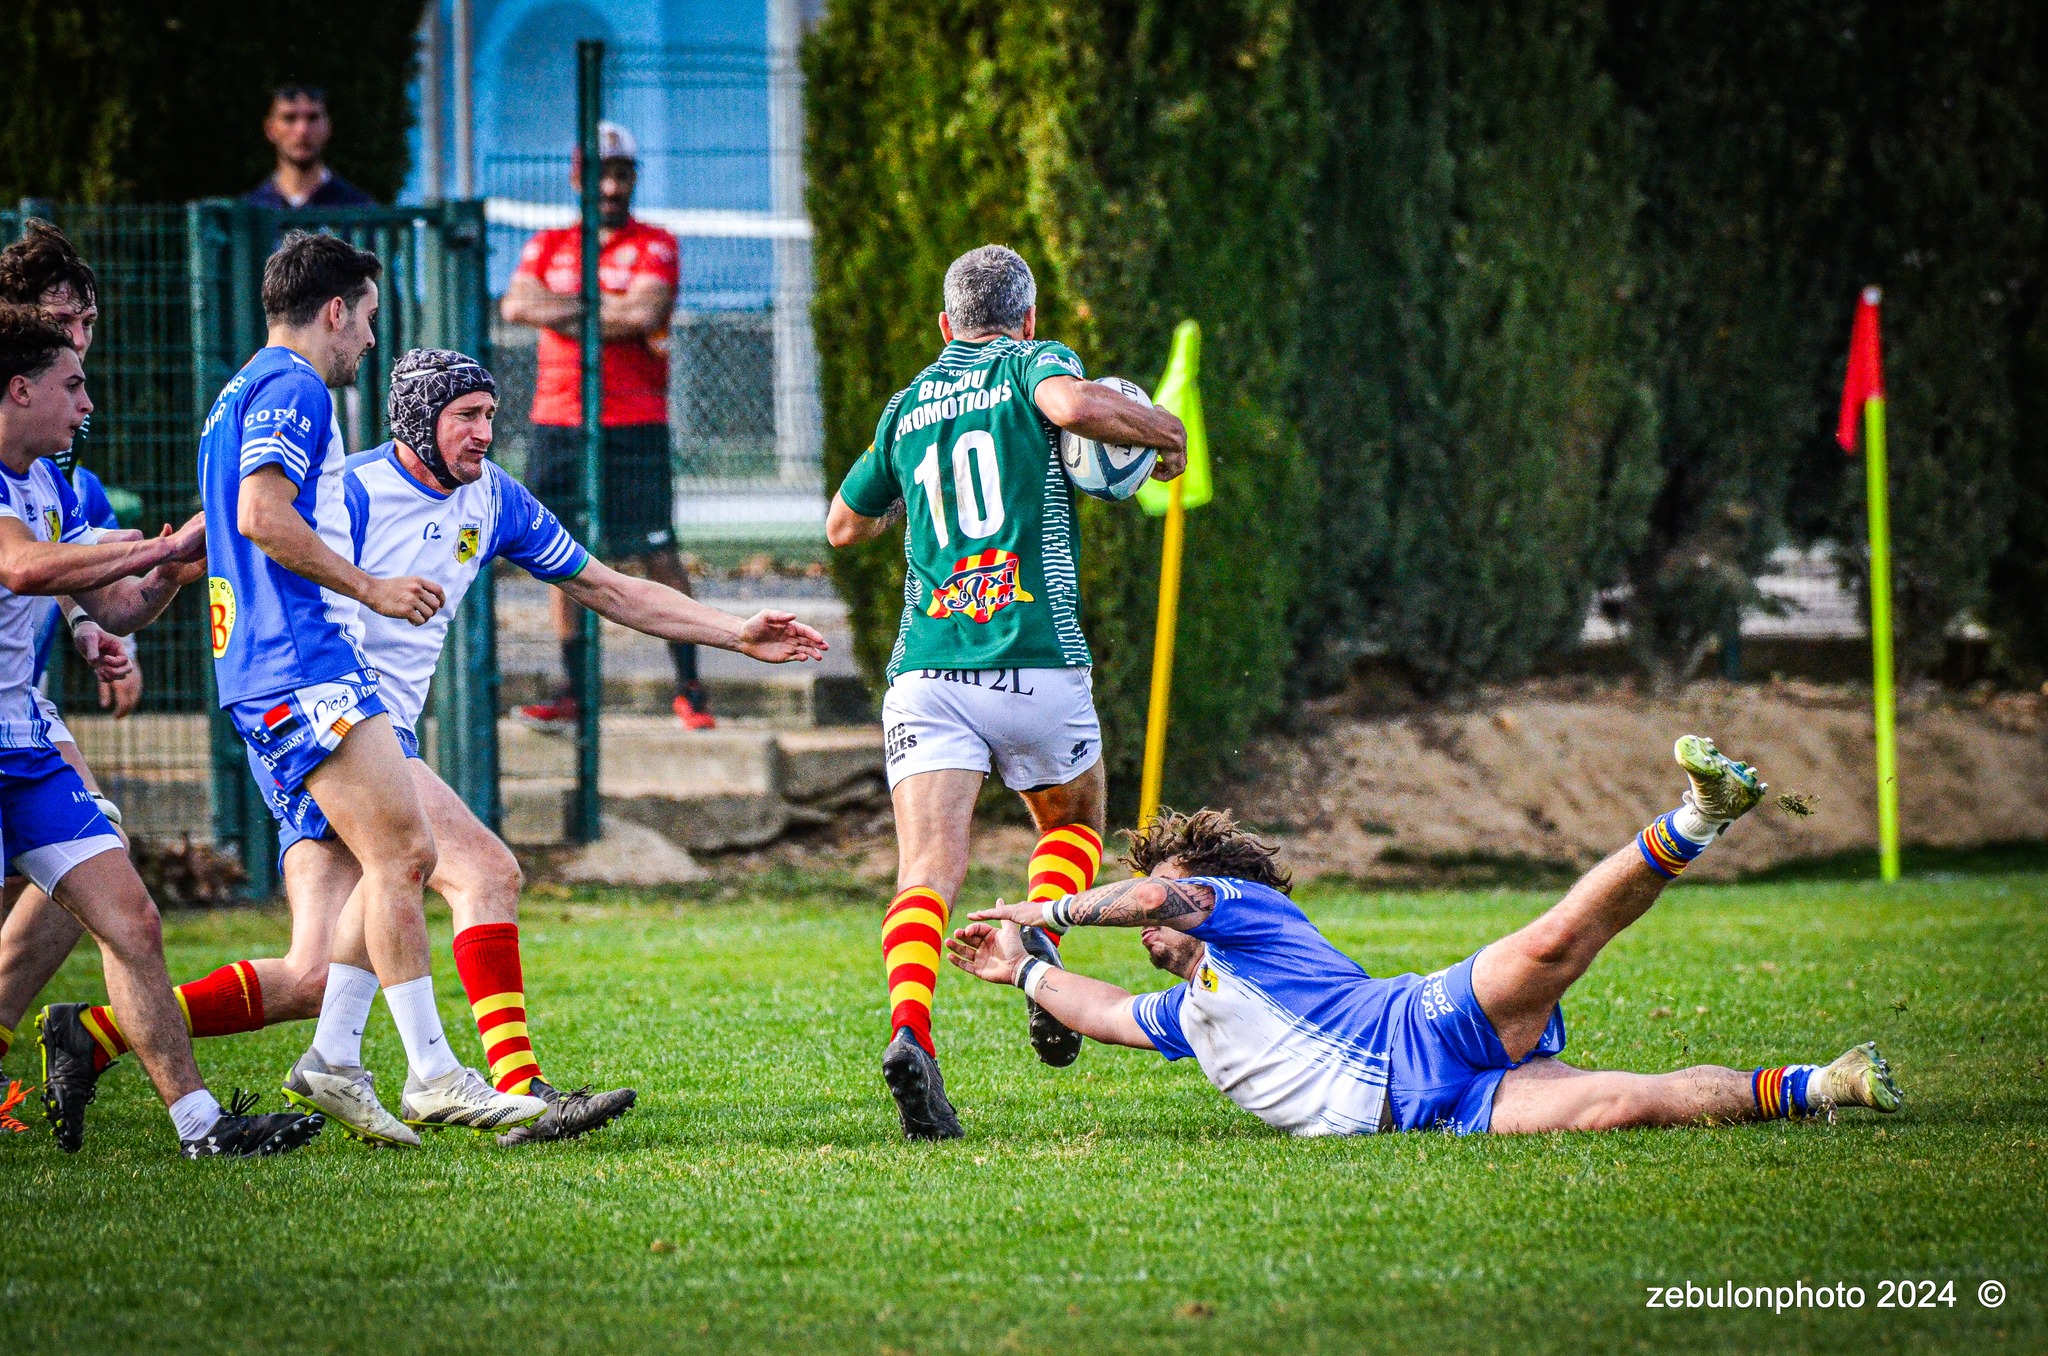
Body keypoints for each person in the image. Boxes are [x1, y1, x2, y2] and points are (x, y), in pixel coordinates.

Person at [25, 348, 828, 1148]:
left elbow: (608, 588)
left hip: (353, 734)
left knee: (312, 975)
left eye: (490, 416)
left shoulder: (495, 499)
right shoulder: (354, 490)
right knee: (483, 870)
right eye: (466, 417)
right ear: (417, 419)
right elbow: (250, 551)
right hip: (333, 720)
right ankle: (515, 1089)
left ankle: (99, 1034)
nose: (485, 434)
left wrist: (734, 632)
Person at [44, 230, 542, 1149]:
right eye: (367, 322)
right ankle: (432, 1074)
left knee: (359, 893)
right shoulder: (297, 386)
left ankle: (337, 1058)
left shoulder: (238, 391)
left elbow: (226, 522)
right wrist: (372, 587)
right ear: (335, 309)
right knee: (407, 855)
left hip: (265, 664)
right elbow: (261, 514)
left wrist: (161, 567)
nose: (366, 344)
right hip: (299, 659)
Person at [947, 737, 1903, 1138]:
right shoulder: (1191, 1012)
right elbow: (1104, 1011)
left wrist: (1054, 910)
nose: (1148, 914)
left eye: (1162, 891)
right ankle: (1830, 1082)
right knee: (1622, 1107)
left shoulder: (1248, 918)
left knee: (1551, 945)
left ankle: (1700, 812)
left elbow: (1164, 903)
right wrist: (1022, 970)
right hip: (1429, 1113)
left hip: (1419, 1028)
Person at [823, 244, 1187, 1139]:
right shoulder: (1036, 361)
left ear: (946, 326)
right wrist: (1163, 433)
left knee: (926, 873)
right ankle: (1045, 957)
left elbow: (843, 527)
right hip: (1034, 657)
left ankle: (913, 1034)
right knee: (1069, 829)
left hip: (926, 669)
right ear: (1025, 319)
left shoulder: (907, 404)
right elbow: (1067, 408)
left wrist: (911, 485)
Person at [0, 303, 324, 1157]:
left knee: (134, 921)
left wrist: (188, 557)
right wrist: (154, 545)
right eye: (73, 385)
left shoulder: (49, 484)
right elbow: (22, 567)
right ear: (19, 388)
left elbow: (117, 608)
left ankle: (201, 1126)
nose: (87, 405)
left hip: (25, 746)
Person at [499, 122, 713, 731]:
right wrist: (605, 311)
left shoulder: (656, 244)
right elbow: (516, 305)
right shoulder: (547, 243)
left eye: (622, 175)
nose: (612, 187)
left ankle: (690, 686)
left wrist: (564, 308)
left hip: (633, 422)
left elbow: (645, 311)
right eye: (601, 175)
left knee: (656, 552)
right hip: (558, 419)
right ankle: (571, 690)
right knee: (557, 556)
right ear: (578, 178)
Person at [0, 222, 142, 1103]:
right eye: (63, 321)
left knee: (91, 860)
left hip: (22, 698)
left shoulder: (55, 467)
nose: (78, 343)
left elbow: (45, 565)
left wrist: (95, 626)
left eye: (86, 324)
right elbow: (21, 560)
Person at [243, 86, 377, 210]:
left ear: (328, 127)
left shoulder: (358, 209)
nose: (302, 130)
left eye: (313, 118)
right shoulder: (249, 212)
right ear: (270, 129)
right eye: (289, 118)